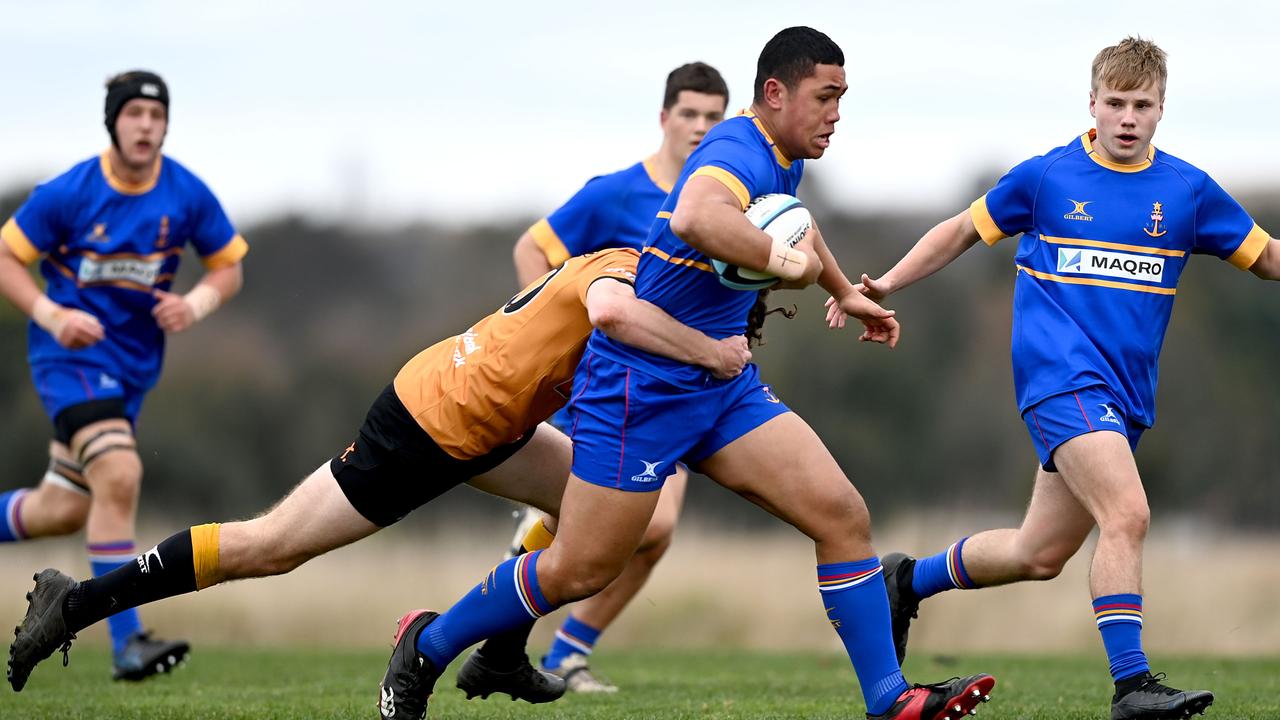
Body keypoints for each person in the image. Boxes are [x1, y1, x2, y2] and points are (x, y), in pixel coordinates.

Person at [378, 27, 997, 720]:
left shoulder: (782, 158)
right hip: (639, 388)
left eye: (842, 98)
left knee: (842, 516)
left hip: (723, 385)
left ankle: (890, 700)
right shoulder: (735, 148)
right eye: (825, 97)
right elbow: (702, 216)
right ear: (775, 93)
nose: (836, 113)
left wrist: (840, 289)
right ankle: (426, 646)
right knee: (580, 568)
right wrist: (788, 266)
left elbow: (798, 223)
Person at [6, 247, 752, 703]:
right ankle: (74, 605)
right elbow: (614, 312)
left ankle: (497, 653)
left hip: (495, 424)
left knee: (631, 521)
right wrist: (712, 352)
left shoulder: (646, 275)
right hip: (429, 423)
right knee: (271, 547)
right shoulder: (628, 275)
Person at [834, 36, 1277, 720]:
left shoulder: (1188, 192)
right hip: (1061, 382)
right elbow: (957, 231)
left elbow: (1268, 258)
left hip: (1123, 399)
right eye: (1116, 103)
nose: (1128, 118)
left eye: (1143, 105)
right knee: (1126, 515)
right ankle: (1133, 687)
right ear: (1092, 105)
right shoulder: (1046, 178)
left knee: (1037, 553)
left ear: (1162, 109)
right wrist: (886, 282)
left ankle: (904, 582)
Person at [488, 61, 728, 694]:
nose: (700, 128)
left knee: (652, 534)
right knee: (646, 528)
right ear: (664, 118)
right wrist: (557, 338)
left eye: (713, 117)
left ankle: (567, 649)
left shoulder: (729, 197)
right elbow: (531, 249)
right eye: (689, 114)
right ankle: (522, 601)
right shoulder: (618, 193)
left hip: (687, 390)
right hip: (614, 389)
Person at [0, 70, 247, 682]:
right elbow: (7, 258)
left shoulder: (185, 193)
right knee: (120, 472)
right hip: (72, 365)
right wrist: (53, 315)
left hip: (133, 372)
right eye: (134, 113)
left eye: (156, 116)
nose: (146, 125)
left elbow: (228, 269)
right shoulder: (70, 192)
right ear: (113, 121)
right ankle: (125, 641)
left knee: (60, 509)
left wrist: (194, 304)